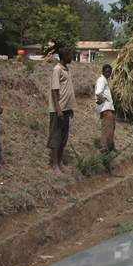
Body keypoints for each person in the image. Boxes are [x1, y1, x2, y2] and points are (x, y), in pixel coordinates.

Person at [48, 47, 77, 177]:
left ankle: (60, 163)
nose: (71, 57)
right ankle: (54, 166)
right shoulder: (57, 69)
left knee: (63, 137)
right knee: (56, 137)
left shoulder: (66, 69)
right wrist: (58, 109)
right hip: (58, 110)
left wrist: (69, 109)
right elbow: (54, 91)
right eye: (70, 55)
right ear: (64, 56)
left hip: (66, 109)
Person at [95, 64, 116, 153]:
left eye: (109, 72)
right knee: (107, 128)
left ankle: (110, 147)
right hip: (106, 109)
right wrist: (102, 99)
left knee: (110, 127)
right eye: (107, 72)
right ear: (103, 72)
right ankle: (104, 148)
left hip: (107, 108)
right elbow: (98, 92)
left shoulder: (104, 81)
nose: (108, 74)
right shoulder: (101, 80)